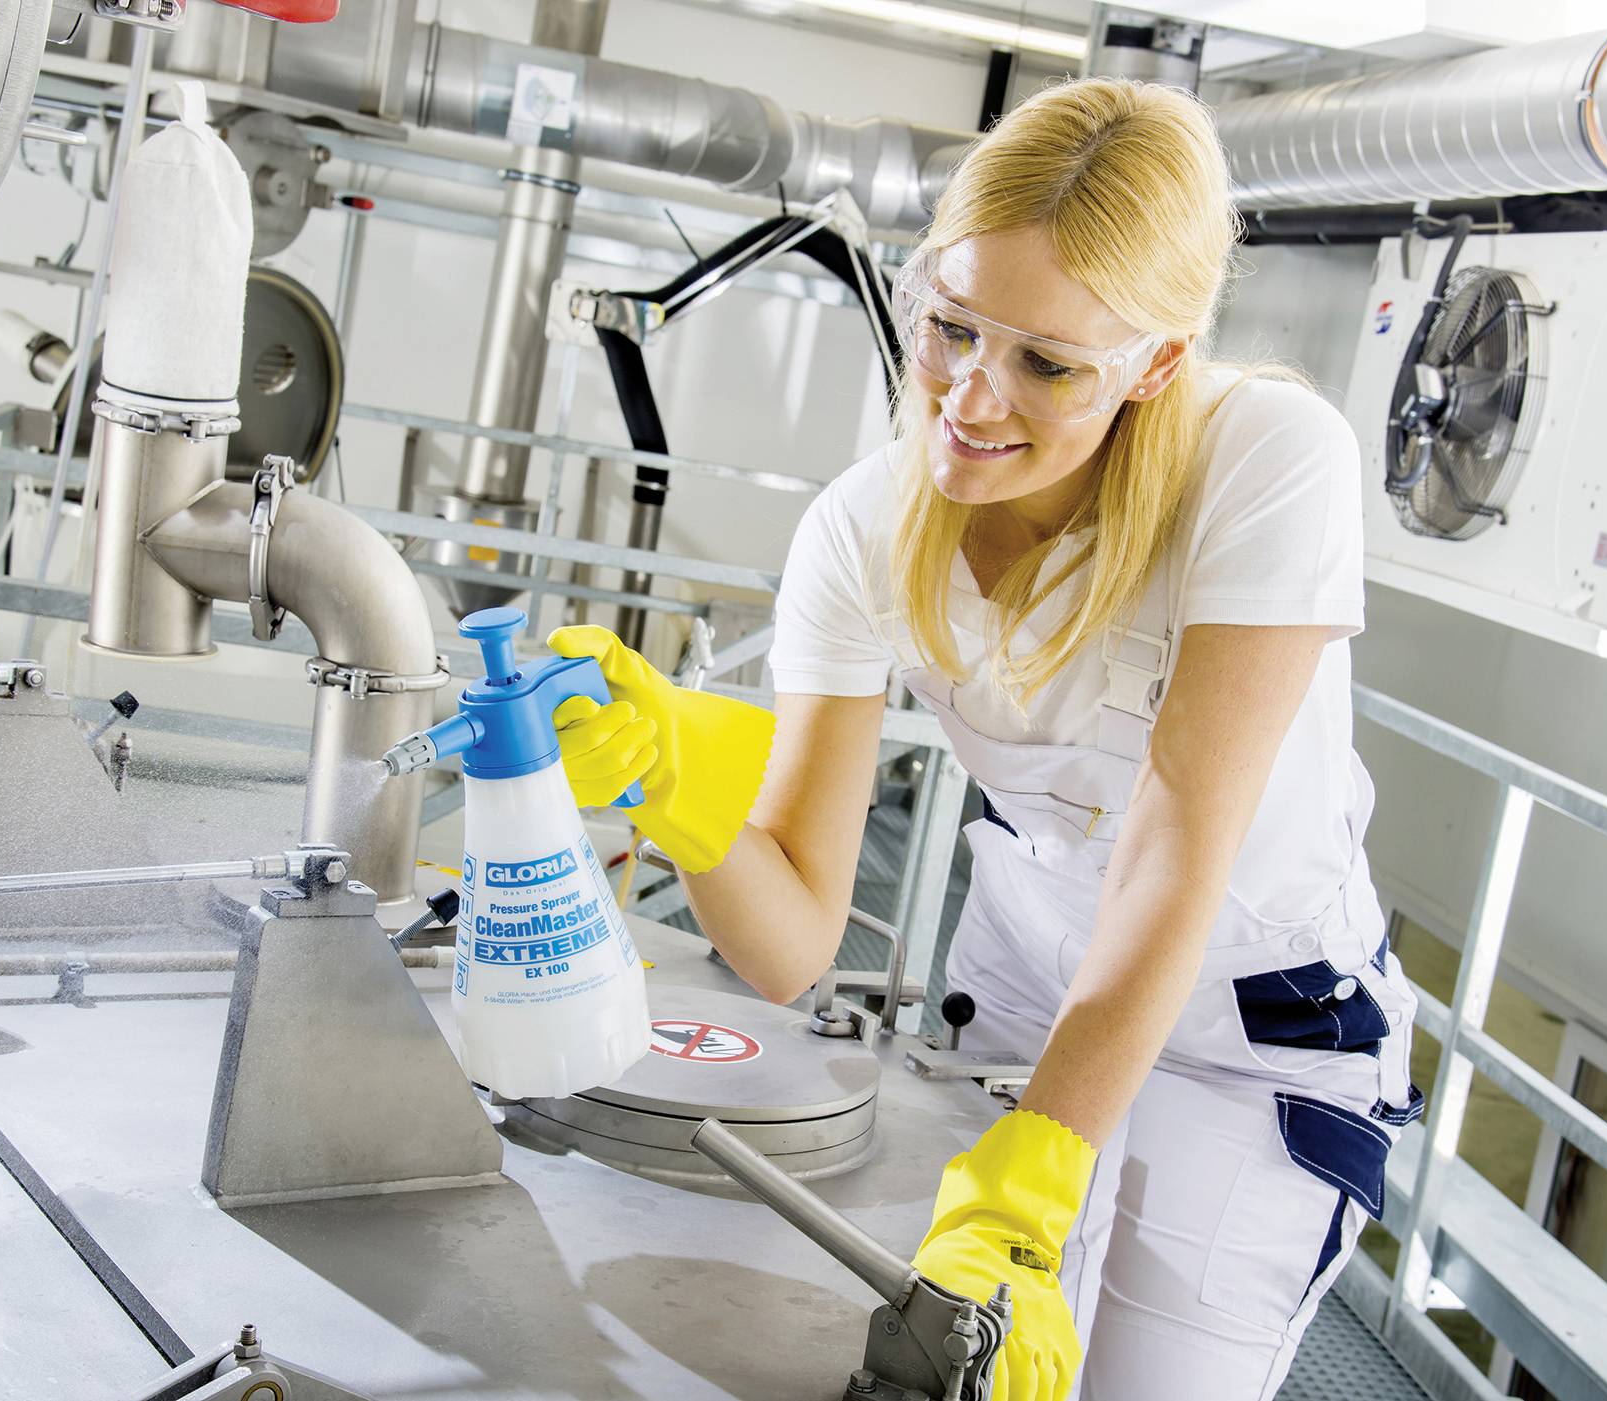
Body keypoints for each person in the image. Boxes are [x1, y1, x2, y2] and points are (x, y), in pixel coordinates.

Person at [544, 76, 1421, 1401]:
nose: (966, 394)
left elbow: (1179, 847)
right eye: (951, 323)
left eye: (1048, 362)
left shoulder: (1267, 458)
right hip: (1022, 984)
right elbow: (790, 941)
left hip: (1250, 1033)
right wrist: (682, 795)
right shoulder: (862, 527)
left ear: (1157, 365)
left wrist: (1033, 1179)